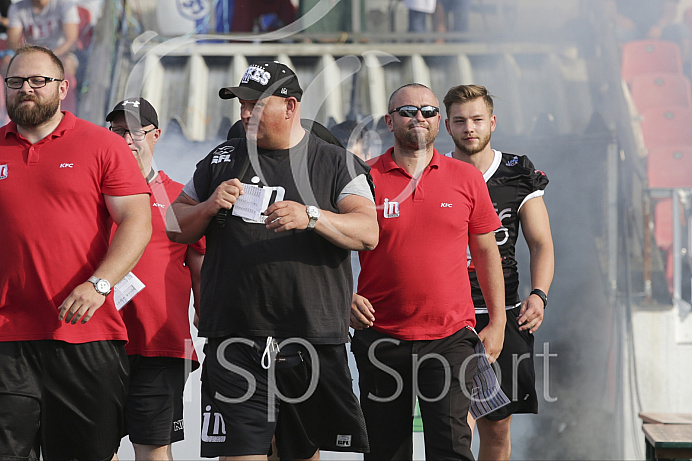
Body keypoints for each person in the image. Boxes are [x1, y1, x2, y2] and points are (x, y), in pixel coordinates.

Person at [166, 60, 378, 460]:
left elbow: (368, 232)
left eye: (256, 105)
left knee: (302, 454)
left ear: (290, 106)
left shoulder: (334, 161)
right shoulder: (221, 159)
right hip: (236, 340)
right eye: (241, 105)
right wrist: (210, 205)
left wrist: (311, 216)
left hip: (309, 339)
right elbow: (173, 225)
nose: (245, 114)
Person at [0, 45, 151, 461]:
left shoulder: (102, 145)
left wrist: (100, 284)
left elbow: (138, 221)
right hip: (7, 338)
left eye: (38, 81)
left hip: (85, 334)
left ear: (63, 88)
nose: (25, 89)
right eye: (15, 82)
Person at [350, 83, 507, 461]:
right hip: (380, 336)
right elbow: (332, 245)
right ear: (389, 121)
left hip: (450, 338)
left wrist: (499, 321)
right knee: (386, 451)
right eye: (407, 111)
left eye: (428, 111)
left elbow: (487, 253)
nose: (418, 117)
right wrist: (343, 297)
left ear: (440, 121)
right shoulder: (362, 177)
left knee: (451, 448)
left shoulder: (467, 177)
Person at [443, 84, 554, 461]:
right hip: (449, 317)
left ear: (492, 122)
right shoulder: (433, 172)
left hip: (503, 314)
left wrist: (539, 294)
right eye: (459, 121)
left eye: (476, 119)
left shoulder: (517, 173)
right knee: (457, 424)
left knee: (497, 426)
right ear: (447, 126)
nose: (469, 128)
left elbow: (540, 243)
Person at [105, 97, 205, 461]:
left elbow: (199, 263)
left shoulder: (178, 197)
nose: (124, 139)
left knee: (153, 449)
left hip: (159, 342)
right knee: (95, 448)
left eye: (133, 131)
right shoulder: (95, 194)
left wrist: (207, 308)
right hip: (99, 341)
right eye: (116, 131)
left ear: (156, 135)